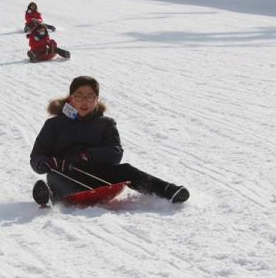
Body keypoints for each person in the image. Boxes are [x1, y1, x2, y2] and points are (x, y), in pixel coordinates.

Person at [29, 76, 190, 206]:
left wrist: (88, 155)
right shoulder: (54, 124)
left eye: (90, 96)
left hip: (99, 174)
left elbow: (115, 152)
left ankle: (168, 190)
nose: (84, 101)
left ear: (96, 99)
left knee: (126, 169)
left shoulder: (105, 123)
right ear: (71, 98)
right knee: (56, 178)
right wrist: (46, 163)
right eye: (79, 96)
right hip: (66, 174)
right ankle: (49, 197)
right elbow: (37, 156)